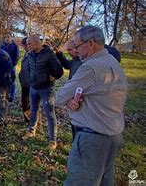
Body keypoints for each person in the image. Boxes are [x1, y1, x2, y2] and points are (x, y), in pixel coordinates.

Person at [56, 25, 127, 185]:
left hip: (92, 139)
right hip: (112, 135)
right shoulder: (111, 61)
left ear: (91, 43)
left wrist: (68, 100)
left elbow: (60, 96)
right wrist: (73, 100)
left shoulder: (91, 67)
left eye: (76, 45)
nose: (75, 50)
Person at [22, 35, 64, 151]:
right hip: (34, 88)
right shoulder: (29, 55)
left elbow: (59, 71)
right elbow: (30, 69)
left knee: (50, 114)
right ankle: (31, 131)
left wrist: (51, 78)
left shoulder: (49, 54)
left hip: (46, 89)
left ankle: (53, 140)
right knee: (34, 110)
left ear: (37, 43)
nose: (27, 46)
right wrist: (31, 80)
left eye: (29, 44)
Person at [1, 35, 19, 102]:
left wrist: (12, 65)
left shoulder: (15, 46)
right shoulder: (3, 46)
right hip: (4, 66)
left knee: (12, 80)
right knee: (5, 79)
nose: (7, 38)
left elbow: (17, 57)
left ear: (11, 38)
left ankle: (12, 95)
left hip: (11, 66)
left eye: (8, 37)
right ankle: (6, 93)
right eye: (6, 37)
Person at [18, 37, 31, 124]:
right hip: (24, 83)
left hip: (30, 84)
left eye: (25, 45)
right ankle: (27, 120)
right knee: (25, 103)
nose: (24, 47)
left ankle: (31, 122)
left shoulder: (32, 55)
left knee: (29, 104)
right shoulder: (26, 54)